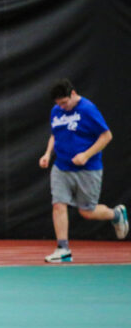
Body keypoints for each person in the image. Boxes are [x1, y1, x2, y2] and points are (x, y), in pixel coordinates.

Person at [39, 79, 126, 262]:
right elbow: (55, 134)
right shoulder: (57, 111)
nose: (62, 107)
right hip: (61, 166)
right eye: (58, 104)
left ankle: (116, 214)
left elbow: (106, 136)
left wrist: (86, 155)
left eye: (64, 103)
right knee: (58, 204)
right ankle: (63, 250)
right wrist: (47, 154)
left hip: (88, 169)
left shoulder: (88, 109)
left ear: (73, 94)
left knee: (87, 211)